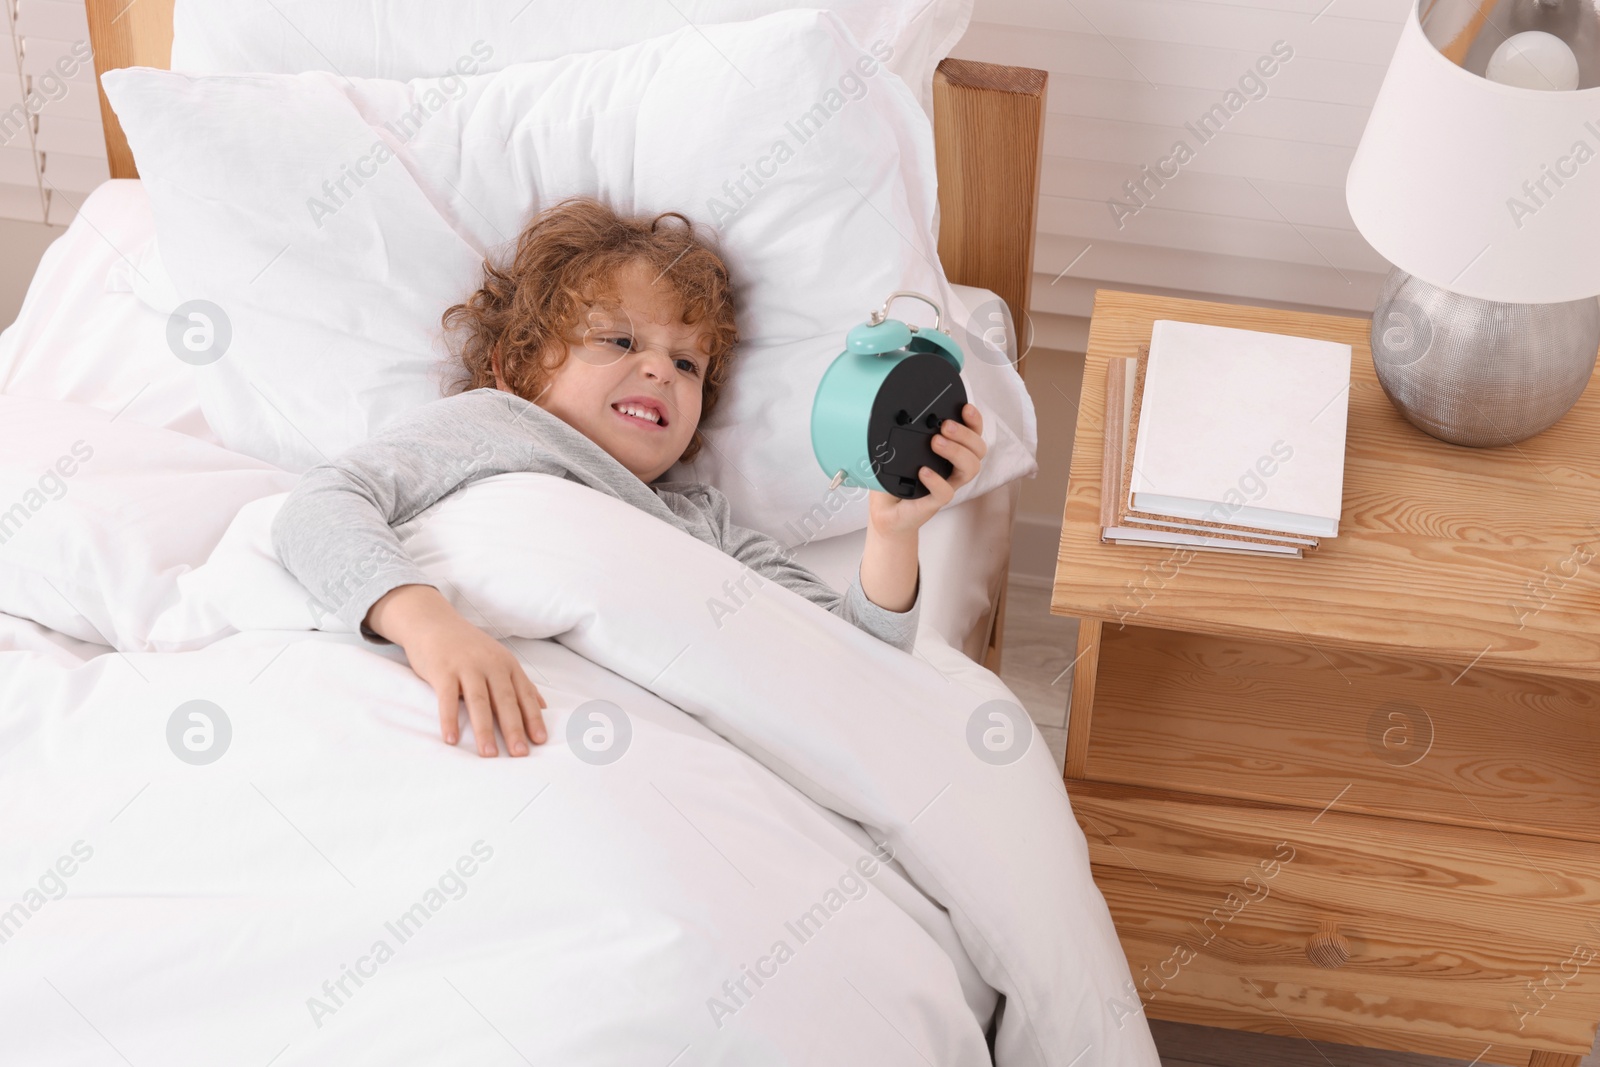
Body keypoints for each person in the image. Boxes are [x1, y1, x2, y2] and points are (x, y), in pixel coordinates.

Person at [271, 196, 987, 758]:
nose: (658, 369)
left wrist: (891, 533)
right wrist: (429, 627)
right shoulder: (495, 424)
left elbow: (856, 666)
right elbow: (323, 504)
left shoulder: (699, 521)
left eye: (687, 364)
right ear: (516, 366)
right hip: (445, 686)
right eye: (618, 340)